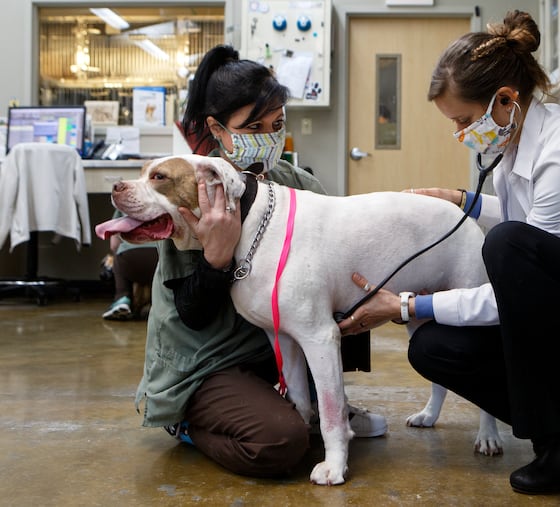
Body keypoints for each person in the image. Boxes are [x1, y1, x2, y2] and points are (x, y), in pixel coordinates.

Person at [338, 10, 560, 503]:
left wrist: (406, 306)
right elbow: (531, 221)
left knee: (504, 245)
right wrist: (460, 199)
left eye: (465, 121)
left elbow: (518, 271)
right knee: (431, 349)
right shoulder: (518, 145)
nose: (462, 133)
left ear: (505, 99)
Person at [135, 45, 386, 479]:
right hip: (208, 359)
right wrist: (217, 257)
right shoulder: (190, 188)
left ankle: (328, 406)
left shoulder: (295, 182)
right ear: (219, 128)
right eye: (253, 126)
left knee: (338, 272)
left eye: (277, 125)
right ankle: (188, 420)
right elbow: (191, 314)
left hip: (267, 348)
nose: (269, 136)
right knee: (281, 443)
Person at [101, 210, 158, 320]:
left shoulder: (122, 204)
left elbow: (114, 245)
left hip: (130, 257)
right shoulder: (160, 197)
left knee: (116, 256)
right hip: (160, 256)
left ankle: (122, 298)